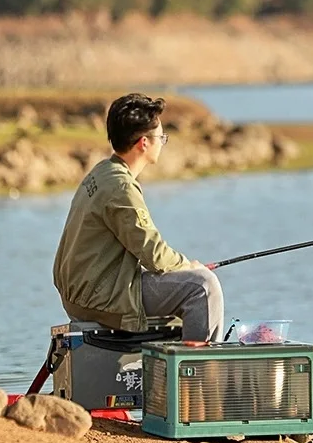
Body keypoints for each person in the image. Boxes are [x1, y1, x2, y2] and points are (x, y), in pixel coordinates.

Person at [53, 92, 224, 340]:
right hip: (99, 297)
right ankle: (200, 365)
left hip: (83, 293)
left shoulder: (102, 172)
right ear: (144, 143)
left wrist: (180, 269)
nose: (162, 143)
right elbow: (154, 254)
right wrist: (189, 266)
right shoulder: (121, 188)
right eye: (161, 138)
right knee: (203, 286)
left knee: (186, 282)